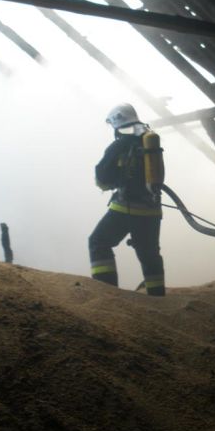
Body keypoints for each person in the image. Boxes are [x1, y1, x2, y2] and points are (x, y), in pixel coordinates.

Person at [88, 103, 165, 296]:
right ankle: (157, 296)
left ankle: (107, 293)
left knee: (98, 242)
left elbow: (102, 177)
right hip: (152, 210)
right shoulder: (149, 142)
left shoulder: (119, 145)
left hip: (125, 209)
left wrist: (112, 183)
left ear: (116, 124)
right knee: (149, 255)